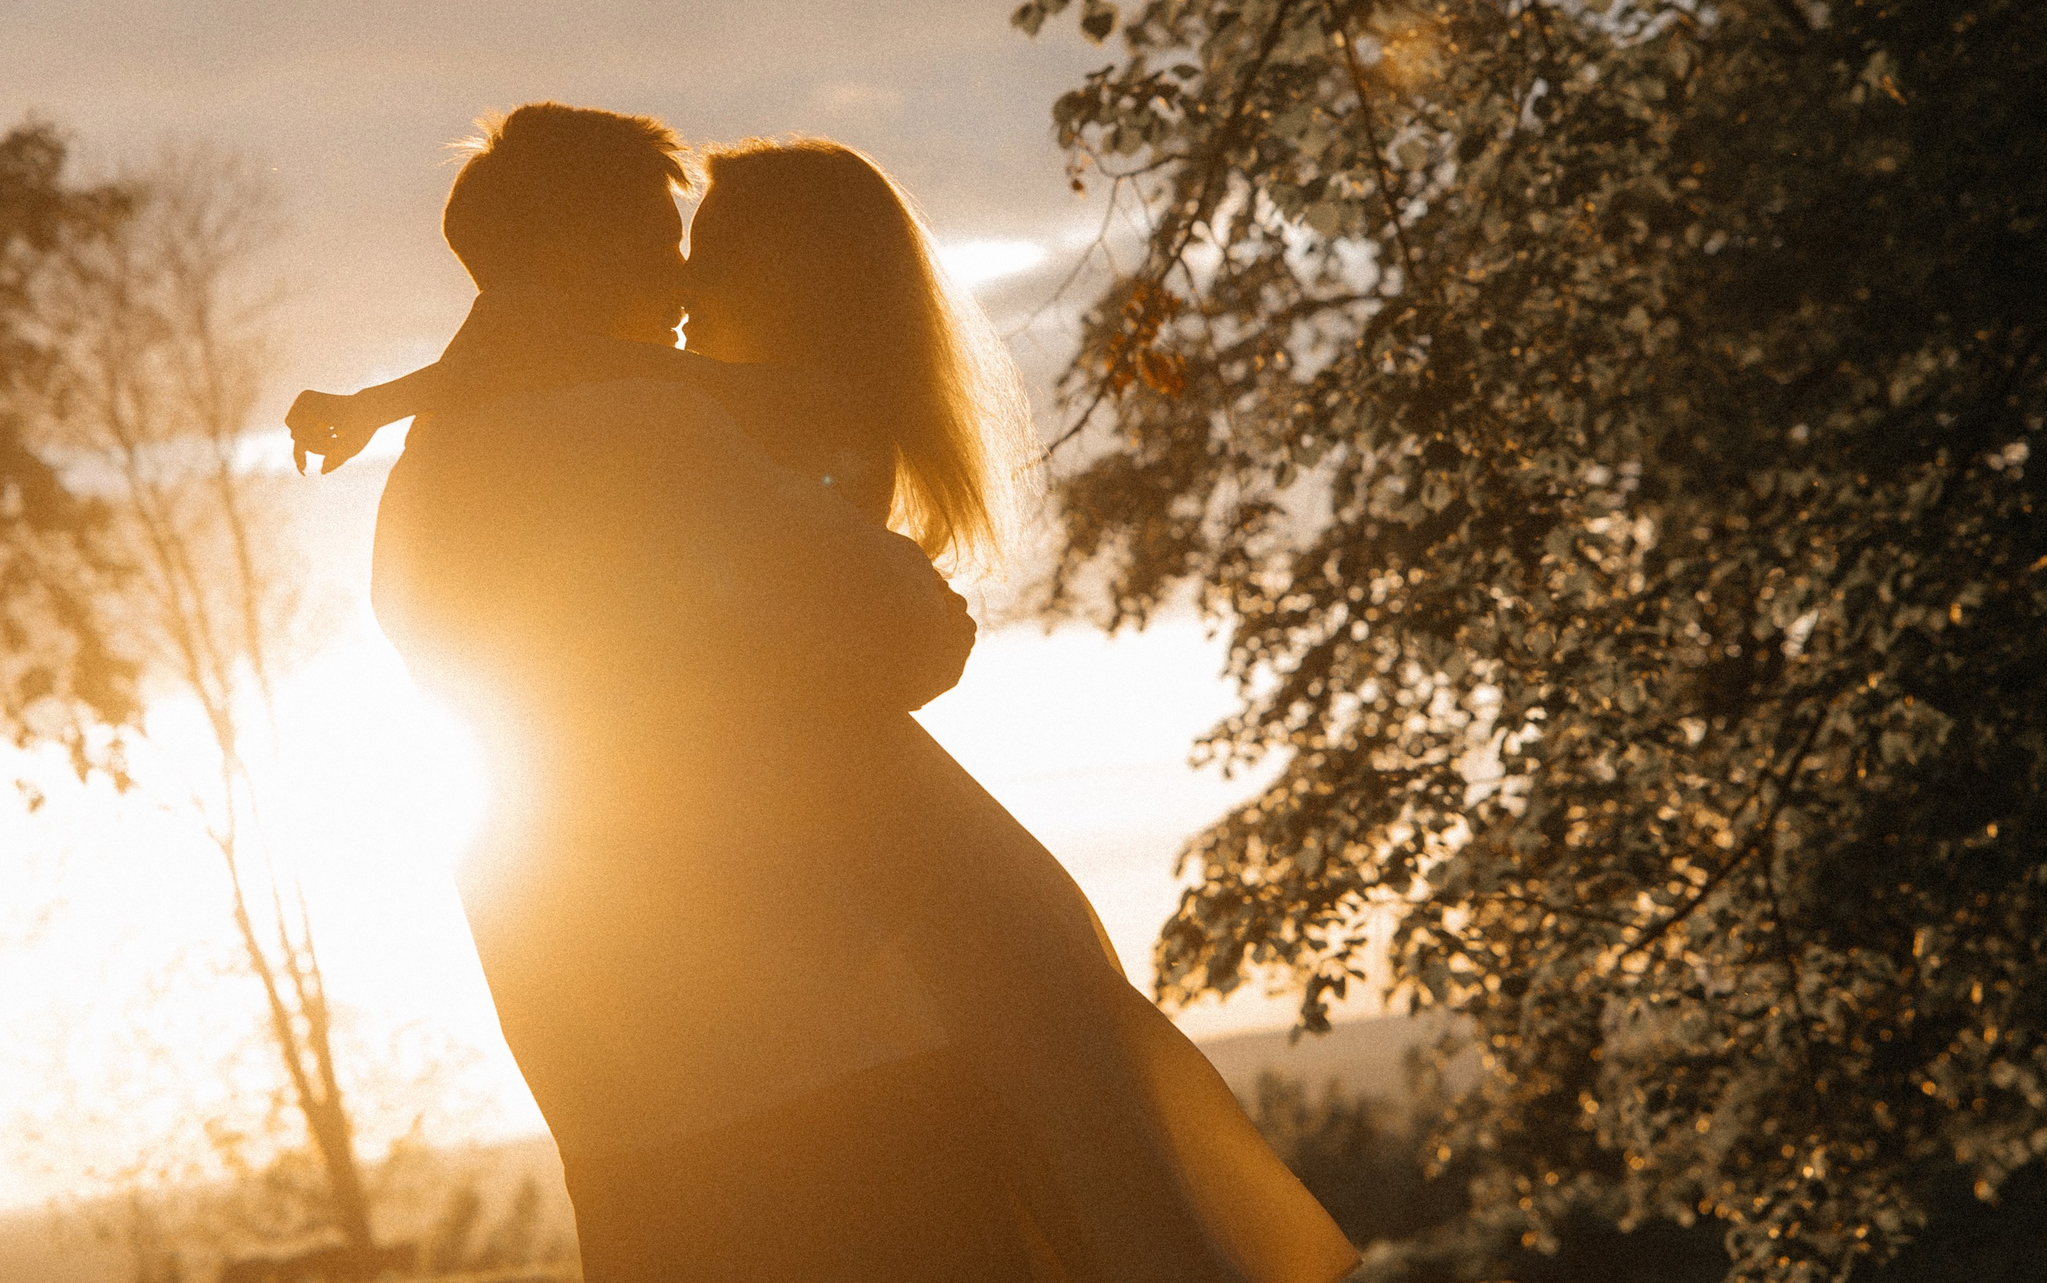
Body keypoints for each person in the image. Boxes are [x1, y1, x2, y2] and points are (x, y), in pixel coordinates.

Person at [292, 105, 1360, 1282]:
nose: (681, 275)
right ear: (569, 254)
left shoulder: (421, 483)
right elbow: (912, 634)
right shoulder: (652, 432)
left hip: (604, 1073)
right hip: (823, 1043)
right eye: (655, 244)